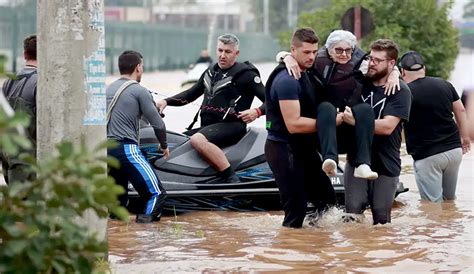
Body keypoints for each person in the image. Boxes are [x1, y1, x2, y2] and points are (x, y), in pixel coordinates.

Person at [277, 30, 401, 180]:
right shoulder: (316, 59)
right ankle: (330, 160)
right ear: (329, 50)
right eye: (339, 50)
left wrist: (395, 72)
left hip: (350, 123)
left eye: (348, 50)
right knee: (326, 107)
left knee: (365, 109)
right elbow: (293, 54)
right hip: (326, 122)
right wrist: (287, 58)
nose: (344, 54)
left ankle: (363, 164)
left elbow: (384, 64)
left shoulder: (361, 62)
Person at [156, 34, 265, 183]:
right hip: (209, 128)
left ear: (236, 53)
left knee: (197, 140)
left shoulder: (247, 75)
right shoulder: (210, 72)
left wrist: (257, 112)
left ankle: (231, 179)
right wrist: (165, 102)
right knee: (171, 141)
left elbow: (272, 100)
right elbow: (190, 94)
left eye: (227, 51)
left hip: (232, 126)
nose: (222, 55)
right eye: (220, 50)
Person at [265, 28, 336, 228]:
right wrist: (331, 122)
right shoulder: (287, 80)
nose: (312, 57)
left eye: (314, 52)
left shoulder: (305, 69)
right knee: (296, 209)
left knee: (327, 201)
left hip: (303, 148)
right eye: (306, 52)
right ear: (293, 50)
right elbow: (294, 124)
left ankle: (314, 250)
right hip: (282, 148)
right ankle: (289, 252)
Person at [342, 39, 411, 225]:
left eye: (377, 60)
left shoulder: (400, 90)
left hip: (386, 162)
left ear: (391, 63)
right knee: (352, 216)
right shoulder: (359, 81)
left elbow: (388, 126)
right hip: (356, 159)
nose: (371, 63)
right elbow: (329, 59)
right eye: (370, 58)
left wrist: (356, 122)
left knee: (381, 220)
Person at [107, 50, 169, 223]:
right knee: (156, 193)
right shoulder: (139, 91)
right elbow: (158, 124)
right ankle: (146, 238)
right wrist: (164, 145)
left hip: (105, 150)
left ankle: (119, 240)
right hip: (125, 149)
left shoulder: (107, 89)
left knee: (117, 202)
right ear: (138, 67)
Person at [399, 51, 470, 202]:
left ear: (402, 71)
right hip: (454, 151)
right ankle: (453, 225)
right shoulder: (444, 84)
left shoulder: (404, 92)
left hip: (427, 156)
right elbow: (461, 110)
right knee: (449, 201)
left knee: (431, 206)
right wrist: (465, 138)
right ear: (423, 69)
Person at [0, 34, 37, 184]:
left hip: (7, 153)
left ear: (24, 54)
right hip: (27, 158)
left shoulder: (9, 80)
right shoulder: (42, 81)